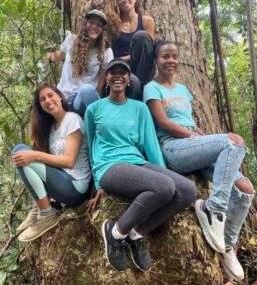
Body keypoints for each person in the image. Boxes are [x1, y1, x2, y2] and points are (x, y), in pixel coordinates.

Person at [143, 40, 255, 281]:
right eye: (165, 56)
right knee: (233, 141)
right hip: (173, 148)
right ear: (156, 60)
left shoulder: (183, 89)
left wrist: (202, 139)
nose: (170, 61)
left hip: (193, 144)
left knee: (245, 189)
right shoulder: (151, 88)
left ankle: (227, 244)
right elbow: (164, 123)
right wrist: (194, 137)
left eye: (174, 56)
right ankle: (213, 209)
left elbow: (191, 122)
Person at [85, 58, 196, 272]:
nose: (118, 75)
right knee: (163, 187)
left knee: (187, 190)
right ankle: (115, 232)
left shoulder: (139, 109)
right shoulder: (94, 109)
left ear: (129, 79)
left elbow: (150, 144)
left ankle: (136, 233)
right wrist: (97, 184)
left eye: (123, 72)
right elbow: (91, 147)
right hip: (109, 166)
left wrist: (164, 170)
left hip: (137, 162)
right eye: (112, 72)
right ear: (106, 78)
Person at [12, 83, 91, 242]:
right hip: (63, 182)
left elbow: (69, 161)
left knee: (23, 152)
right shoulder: (52, 129)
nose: (47, 100)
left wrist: (35, 156)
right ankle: (39, 207)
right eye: (42, 99)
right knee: (21, 150)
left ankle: (46, 214)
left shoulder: (72, 119)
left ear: (60, 97)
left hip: (76, 185)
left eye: (50, 95)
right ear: (40, 106)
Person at [47, 9, 113, 116]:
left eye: (99, 25)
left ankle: (102, 121)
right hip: (63, 97)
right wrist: (50, 57)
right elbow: (60, 55)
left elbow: (101, 83)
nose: (94, 27)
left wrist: (97, 96)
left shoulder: (105, 52)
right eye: (91, 22)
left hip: (82, 100)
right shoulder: (71, 40)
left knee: (86, 89)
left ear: (102, 30)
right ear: (85, 24)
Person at [108, 0, 155, 88]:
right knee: (133, 82)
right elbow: (110, 56)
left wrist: (129, 57)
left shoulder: (146, 21)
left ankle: (144, 87)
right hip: (123, 69)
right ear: (117, 4)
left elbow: (149, 50)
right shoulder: (113, 25)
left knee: (141, 36)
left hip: (144, 69)